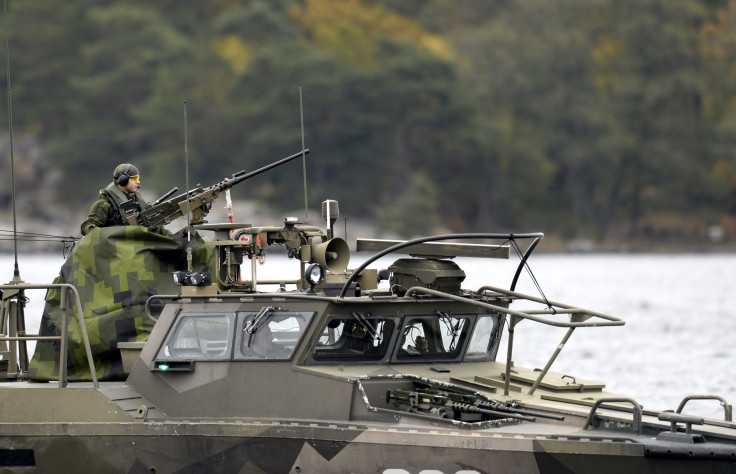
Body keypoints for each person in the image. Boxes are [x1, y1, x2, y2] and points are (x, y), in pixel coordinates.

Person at [81, 164, 160, 236]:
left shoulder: (136, 202)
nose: (138, 182)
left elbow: (157, 227)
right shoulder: (105, 204)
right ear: (123, 180)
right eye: (134, 179)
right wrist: (112, 235)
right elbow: (87, 227)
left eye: (138, 178)